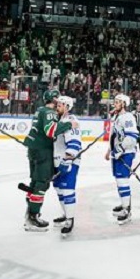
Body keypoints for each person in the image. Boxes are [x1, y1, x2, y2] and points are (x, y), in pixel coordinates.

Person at [23, 89, 67, 231]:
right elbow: (50, 131)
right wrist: (68, 125)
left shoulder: (40, 110)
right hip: (43, 150)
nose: (59, 101)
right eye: (58, 98)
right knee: (42, 184)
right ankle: (33, 218)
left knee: (35, 182)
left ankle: (30, 213)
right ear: (53, 99)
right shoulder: (49, 112)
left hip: (33, 149)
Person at [106, 94, 139, 224]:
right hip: (117, 153)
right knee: (119, 180)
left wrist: (119, 149)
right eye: (115, 101)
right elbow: (114, 136)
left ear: (124, 104)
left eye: (118, 102)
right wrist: (109, 150)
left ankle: (127, 210)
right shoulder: (117, 117)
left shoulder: (128, 117)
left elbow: (132, 137)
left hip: (126, 153)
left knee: (122, 180)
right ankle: (124, 204)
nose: (115, 104)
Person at [51, 96, 81, 237]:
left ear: (67, 107)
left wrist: (68, 160)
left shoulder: (71, 120)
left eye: (60, 105)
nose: (57, 107)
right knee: (58, 188)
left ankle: (70, 220)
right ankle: (66, 213)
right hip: (58, 161)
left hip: (69, 160)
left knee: (68, 189)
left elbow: (74, 143)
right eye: (57, 105)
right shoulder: (59, 120)